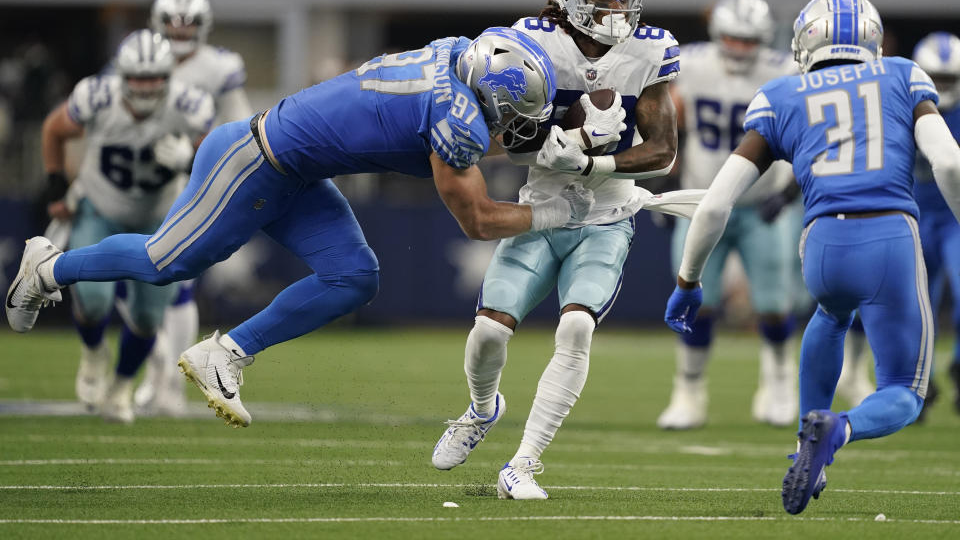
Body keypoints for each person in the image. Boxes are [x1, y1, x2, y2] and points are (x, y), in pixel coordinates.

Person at [6, 27, 596, 429]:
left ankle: (228, 354)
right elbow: (479, 218)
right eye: (513, 117)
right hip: (255, 159)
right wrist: (558, 212)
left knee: (354, 276)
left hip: (297, 169)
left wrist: (557, 151)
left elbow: (479, 132)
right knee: (167, 262)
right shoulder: (458, 119)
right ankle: (49, 266)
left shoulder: (457, 53)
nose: (513, 129)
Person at [664, 0, 960, 515]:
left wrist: (688, 281)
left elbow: (713, 206)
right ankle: (838, 429)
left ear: (805, 39)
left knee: (832, 311)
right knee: (905, 393)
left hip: (822, 243)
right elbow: (951, 165)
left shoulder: (780, 94)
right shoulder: (901, 74)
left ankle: (807, 441)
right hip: (890, 234)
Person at [431, 0, 693, 500]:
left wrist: (594, 160)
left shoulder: (648, 53)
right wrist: (545, 143)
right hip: (543, 211)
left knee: (576, 326)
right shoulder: (530, 44)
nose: (617, 11)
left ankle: (523, 465)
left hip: (607, 216)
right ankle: (481, 411)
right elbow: (490, 134)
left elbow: (662, 150)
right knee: (487, 333)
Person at [39, 29, 214, 423]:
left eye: (154, 76)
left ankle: (121, 386)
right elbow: (53, 129)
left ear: (170, 76)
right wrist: (55, 182)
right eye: (137, 76)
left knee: (149, 318)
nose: (146, 85)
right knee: (93, 301)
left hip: (159, 219)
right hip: (100, 209)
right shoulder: (96, 96)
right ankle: (93, 352)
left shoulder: (189, 105)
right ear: (122, 75)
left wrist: (190, 158)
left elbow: (221, 157)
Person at [658, 0, 800, 430]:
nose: (739, 48)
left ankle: (779, 380)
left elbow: (805, 134)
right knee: (694, 300)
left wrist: (790, 190)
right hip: (703, 199)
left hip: (762, 205)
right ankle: (689, 391)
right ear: (718, 34)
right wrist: (668, 179)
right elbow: (666, 119)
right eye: (732, 38)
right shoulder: (692, 63)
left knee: (774, 304)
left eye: (748, 40)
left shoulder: (786, 71)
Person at [134, 0, 253, 417]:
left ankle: (171, 379)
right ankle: (158, 369)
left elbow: (240, 126)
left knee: (178, 281)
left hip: (191, 183)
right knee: (134, 283)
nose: (180, 30)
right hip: (138, 182)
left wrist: (197, 153)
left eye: (189, 22)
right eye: (173, 22)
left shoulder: (219, 67)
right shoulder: (136, 57)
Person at [912, 31, 960, 414]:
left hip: (954, 218)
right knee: (912, 302)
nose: (942, 88)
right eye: (936, 78)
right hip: (912, 213)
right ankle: (918, 380)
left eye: (950, 80)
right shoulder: (898, 106)